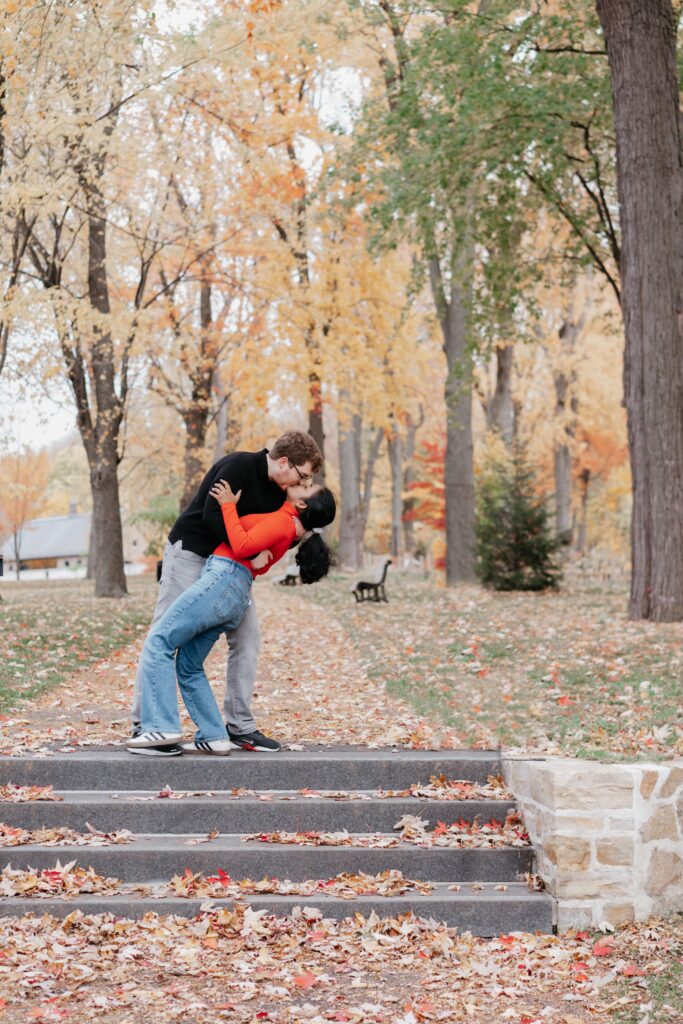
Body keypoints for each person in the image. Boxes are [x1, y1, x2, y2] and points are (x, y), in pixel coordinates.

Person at [129, 431, 323, 755]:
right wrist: (248, 554)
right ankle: (145, 723)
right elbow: (211, 515)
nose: (299, 483)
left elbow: (267, 533)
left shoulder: (279, 494)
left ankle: (240, 728)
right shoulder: (239, 467)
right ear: (284, 462)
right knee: (164, 630)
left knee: (248, 638)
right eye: (301, 475)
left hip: (229, 570)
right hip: (192, 553)